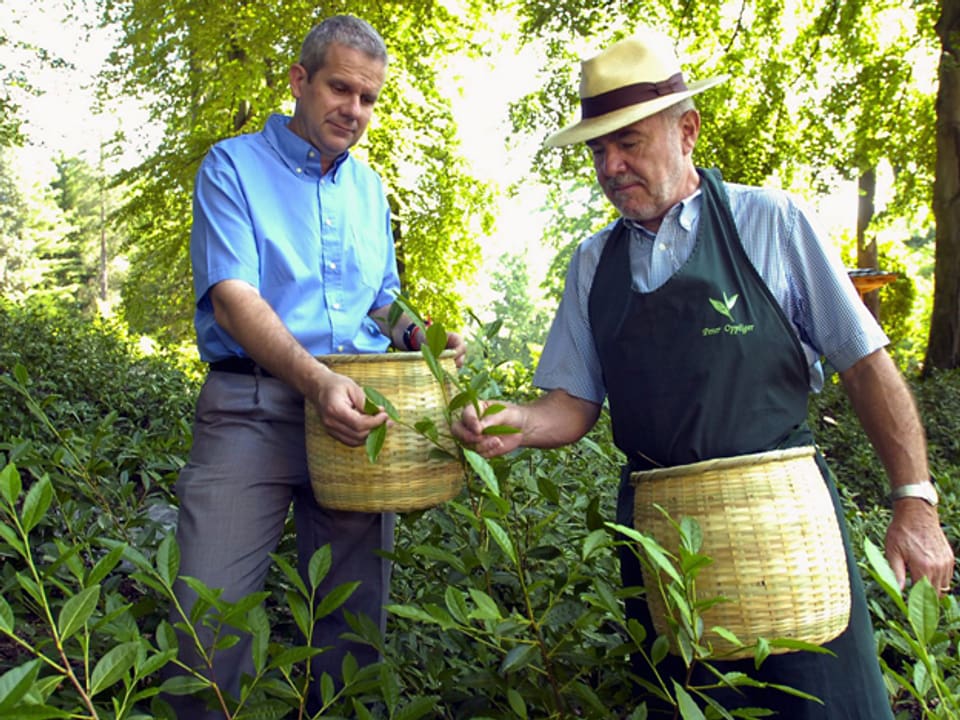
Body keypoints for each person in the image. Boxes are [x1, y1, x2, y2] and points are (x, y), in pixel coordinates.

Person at [453, 28, 954, 718]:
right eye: (599, 149)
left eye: (630, 142)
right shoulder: (593, 265)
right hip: (665, 552)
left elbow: (866, 366)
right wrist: (514, 424)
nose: (611, 164)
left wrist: (915, 502)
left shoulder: (769, 223)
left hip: (789, 537)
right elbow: (570, 406)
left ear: (687, 129)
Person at [167, 15, 465, 718]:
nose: (354, 111)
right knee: (207, 621)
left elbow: (379, 303)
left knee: (353, 630)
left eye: (368, 98)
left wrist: (421, 333)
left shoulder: (369, 189)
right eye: (340, 89)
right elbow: (236, 301)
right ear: (300, 81)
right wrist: (316, 381)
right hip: (250, 412)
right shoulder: (232, 167)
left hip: (353, 425)